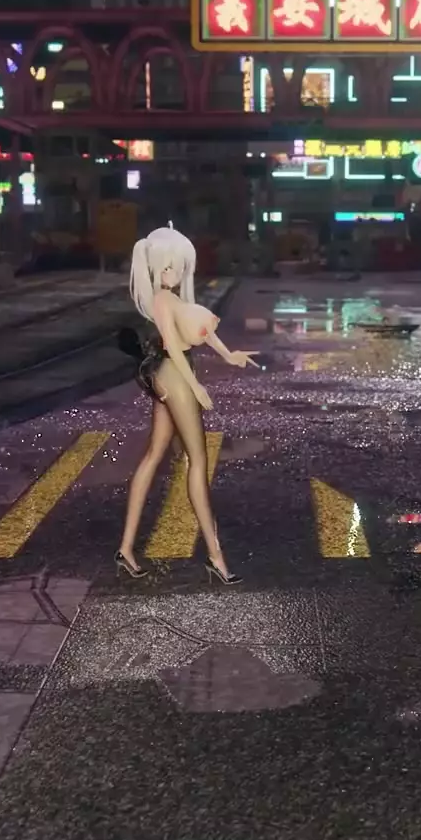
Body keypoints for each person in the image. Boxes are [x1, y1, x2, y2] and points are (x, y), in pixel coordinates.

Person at [116, 226, 261, 585]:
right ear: (158, 267)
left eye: (179, 265)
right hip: (174, 375)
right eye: (170, 266)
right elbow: (173, 346)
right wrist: (195, 387)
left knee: (154, 454)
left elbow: (201, 331)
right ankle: (216, 556)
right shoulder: (163, 300)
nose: (176, 272)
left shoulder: (173, 299)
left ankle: (126, 550)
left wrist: (228, 354)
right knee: (198, 461)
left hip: (173, 373)